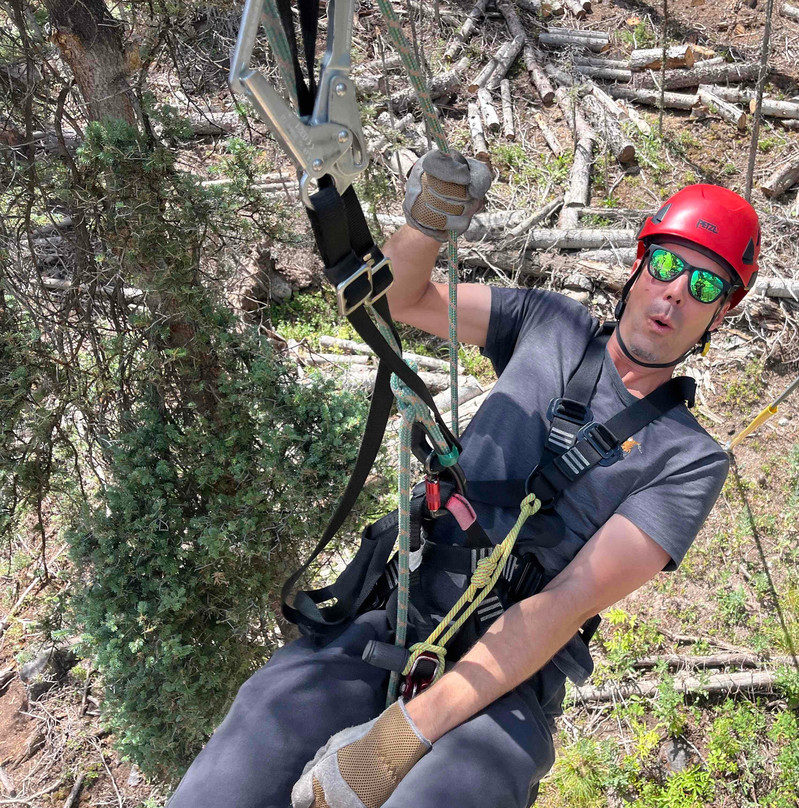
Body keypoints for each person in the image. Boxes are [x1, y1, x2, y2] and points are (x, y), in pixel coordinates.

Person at [167, 150, 761, 808]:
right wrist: (427, 223)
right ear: (640, 267)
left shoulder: (689, 459)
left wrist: (403, 735)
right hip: (395, 613)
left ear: (721, 312)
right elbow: (403, 298)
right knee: (245, 757)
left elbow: (565, 604)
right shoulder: (550, 324)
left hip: (510, 685)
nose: (676, 292)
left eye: (704, 286)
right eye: (669, 266)